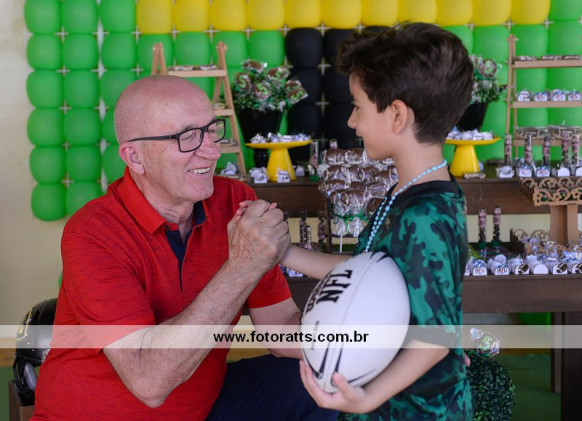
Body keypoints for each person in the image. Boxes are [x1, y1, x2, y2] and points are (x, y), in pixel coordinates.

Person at [32, 75, 338, 421]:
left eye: (211, 130)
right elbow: (149, 381)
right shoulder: (93, 233)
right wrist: (242, 266)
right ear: (135, 157)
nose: (211, 150)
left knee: (322, 375)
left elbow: (279, 326)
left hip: (201, 407)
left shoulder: (234, 201)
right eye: (187, 137)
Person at [281, 23, 475, 419]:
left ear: (397, 115)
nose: (351, 122)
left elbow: (436, 338)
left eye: (358, 107)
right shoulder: (409, 192)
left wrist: (366, 399)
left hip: (419, 412)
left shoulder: (424, 216)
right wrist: (283, 252)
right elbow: (367, 271)